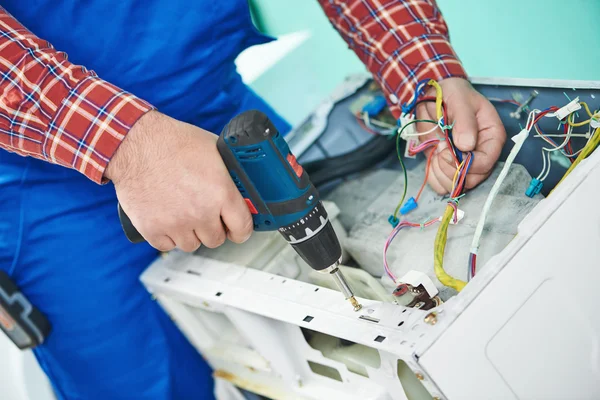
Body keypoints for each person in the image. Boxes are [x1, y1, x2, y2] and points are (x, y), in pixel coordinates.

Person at [0, 1, 506, 399]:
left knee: (272, 350)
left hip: (212, 105)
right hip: (40, 181)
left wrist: (423, 70)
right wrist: (128, 146)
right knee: (141, 383)